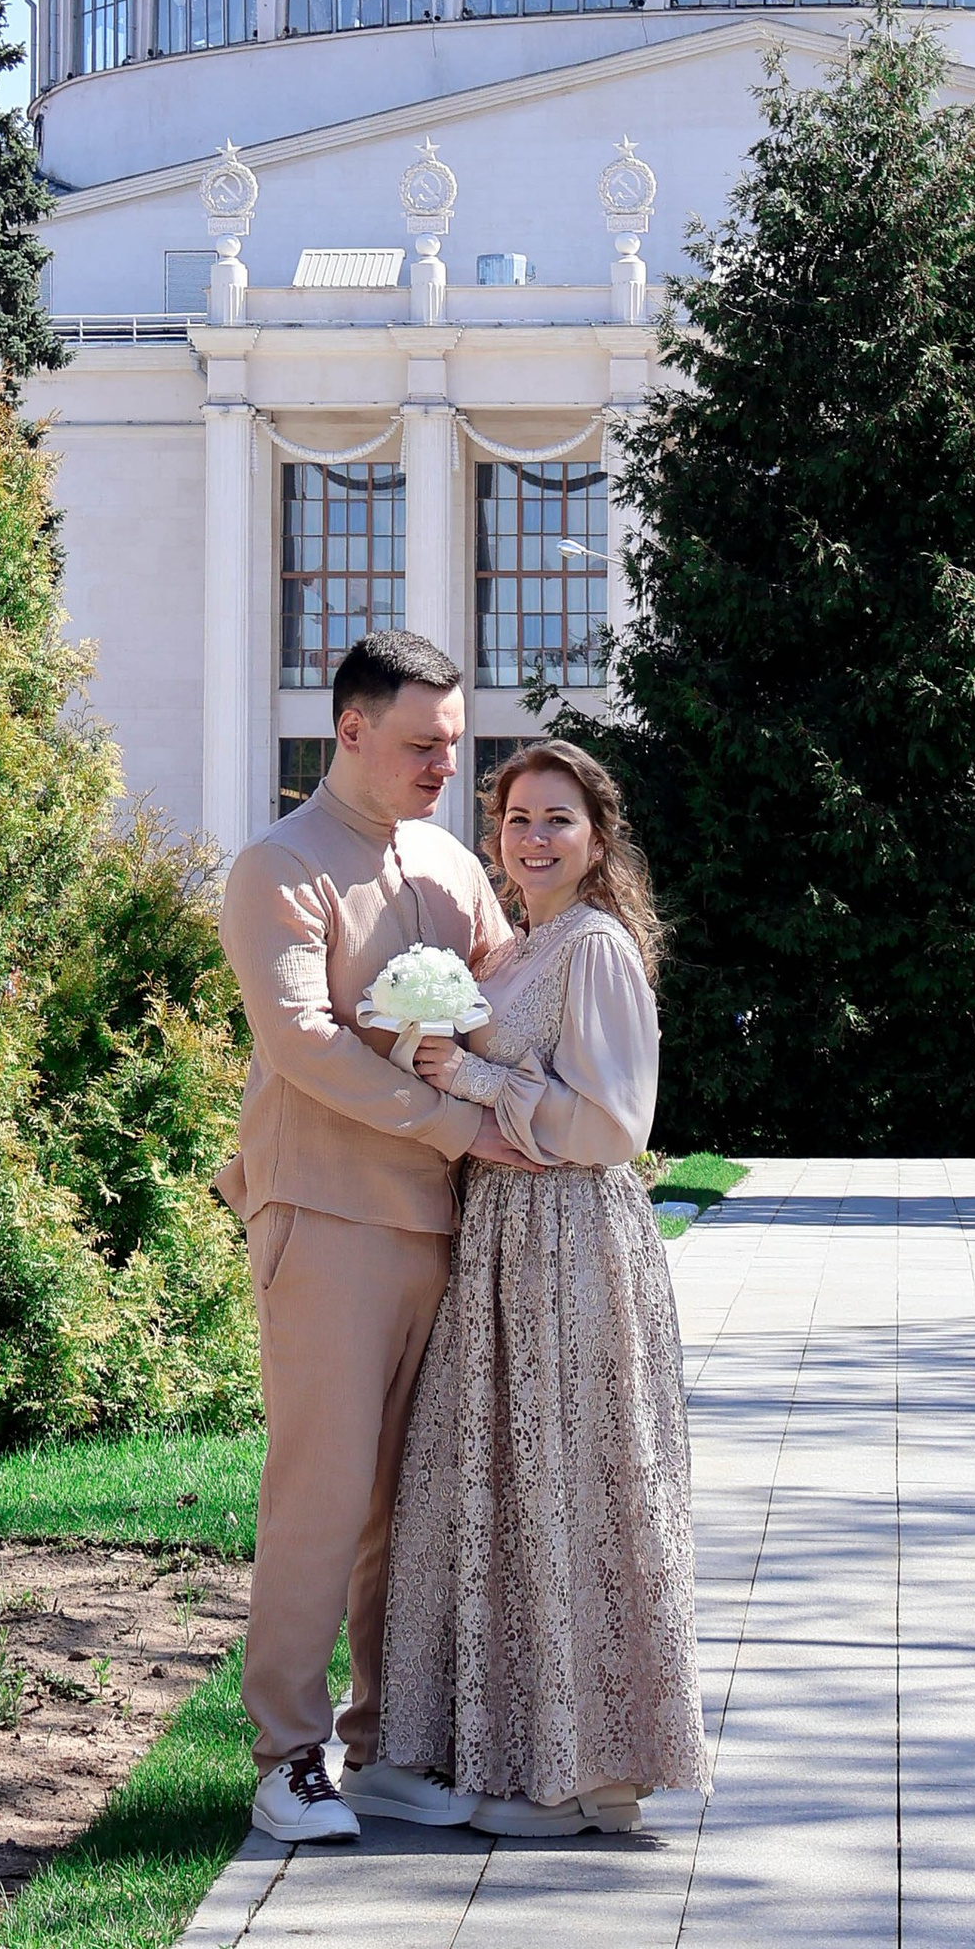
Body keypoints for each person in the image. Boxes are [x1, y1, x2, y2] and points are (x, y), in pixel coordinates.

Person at [214, 629, 542, 1843]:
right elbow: (302, 1044)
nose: (441, 767)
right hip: (328, 1217)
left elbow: (507, 1001)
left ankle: (387, 1741)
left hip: (447, 1227)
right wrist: (457, 1128)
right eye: (419, 744)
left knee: (411, 1500)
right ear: (346, 728)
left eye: (454, 746)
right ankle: (285, 1755)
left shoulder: (451, 864)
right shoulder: (279, 868)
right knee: (323, 1490)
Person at [381, 739, 704, 1839]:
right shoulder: (516, 950)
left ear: (597, 839)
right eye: (518, 818)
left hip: (570, 1240)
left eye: (557, 818)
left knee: (570, 1481)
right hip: (503, 1240)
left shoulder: (596, 946)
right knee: (507, 1490)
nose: (534, 836)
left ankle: (588, 1772)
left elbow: (616, 1124)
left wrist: (471, 1076)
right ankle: (522, 1755)